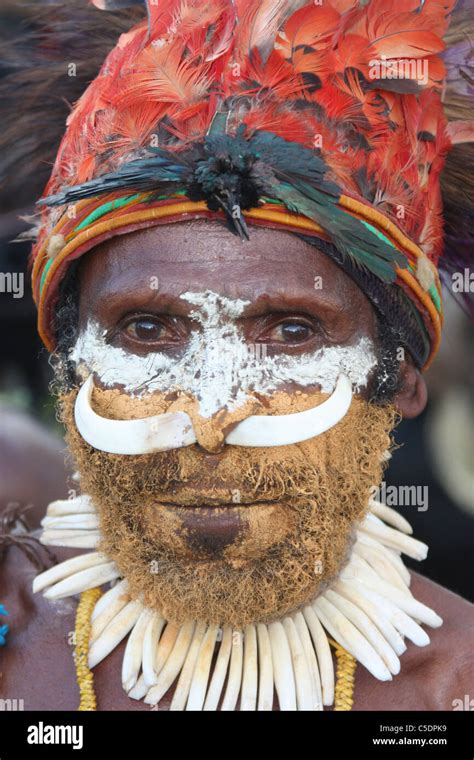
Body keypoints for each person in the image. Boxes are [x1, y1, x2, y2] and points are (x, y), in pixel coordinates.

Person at [0, 0, 473, 711]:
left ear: (399, 380)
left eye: (290, 333)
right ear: (68, 370)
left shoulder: (455, 689)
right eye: (147, 331)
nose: (211, 415)